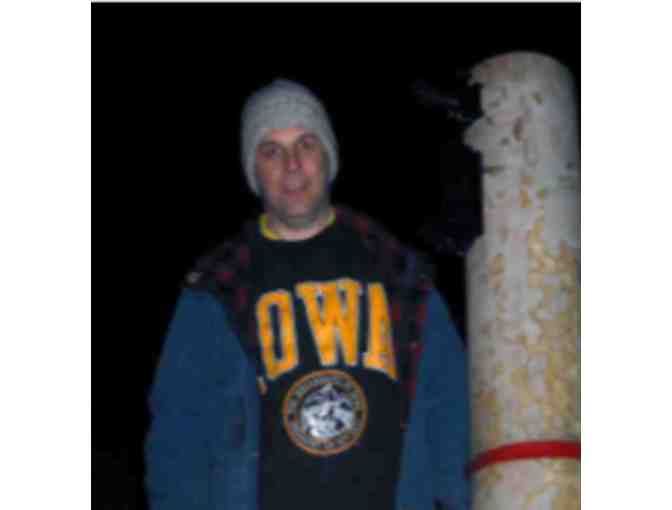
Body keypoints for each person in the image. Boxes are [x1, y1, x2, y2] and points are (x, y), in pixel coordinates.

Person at [145, 79, 471, 510]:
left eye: (306, 144)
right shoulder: (215, 289)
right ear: (254, 172)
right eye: (271, 151)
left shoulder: (401, 275)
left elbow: (453, 413)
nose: (292, 165)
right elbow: (178, 441)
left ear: (328, 156)